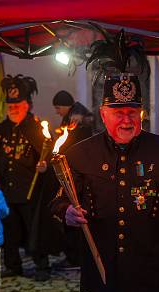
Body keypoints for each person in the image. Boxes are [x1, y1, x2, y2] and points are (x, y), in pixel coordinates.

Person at [51, 30, 159, 292]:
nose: (125, 119)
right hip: (102, 270)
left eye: (132, 112)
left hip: (153, 269)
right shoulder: (79, 154)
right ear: (103, 114)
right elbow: (58, 200)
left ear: (142, 112)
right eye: (118, 112)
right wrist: (66, 212)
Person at [0, 74, 51, 281]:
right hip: (7, 191)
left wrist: (45, 167)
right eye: (10, 104)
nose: (13, 108)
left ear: (27, 104)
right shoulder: (1, 129)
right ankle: (13, 265)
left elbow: (50, 156)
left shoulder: (37, 128)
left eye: (17, 104)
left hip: (30, 191)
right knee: (10, 231)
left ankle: (42, 265)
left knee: (35, 229)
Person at [51, 90, 95, 270]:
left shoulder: (77, 122)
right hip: (70, 169)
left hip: (75, 172)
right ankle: (72, 255)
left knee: (76, 213)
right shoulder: (72, 119)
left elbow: (75, 145)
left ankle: (75, 257)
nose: (56, 111)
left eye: (58, 107)